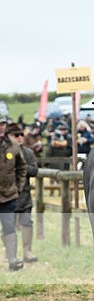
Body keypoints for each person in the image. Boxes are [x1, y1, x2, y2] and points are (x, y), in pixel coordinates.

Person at [5, 124, 39, 263]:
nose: (19, 138)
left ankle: (27, 251)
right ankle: (10, 254)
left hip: (24, 194)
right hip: (6, 195)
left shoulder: (28, 153)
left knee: (26, 222)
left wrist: (20, 167)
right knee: (8, 225)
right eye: (16, 135)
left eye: (21, 135)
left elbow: (34, 170)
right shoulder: (3, 151)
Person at [0, 114, 27, 271]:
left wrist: (18, 187)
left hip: (8, 195)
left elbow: (22, 167)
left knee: (9, 227)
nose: (1, 127)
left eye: (3, 124)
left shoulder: (13, 146)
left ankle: (12, 259)